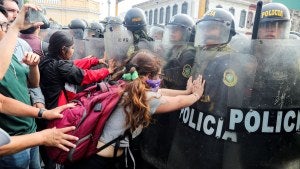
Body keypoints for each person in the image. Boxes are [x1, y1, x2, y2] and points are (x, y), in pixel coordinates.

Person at [63, 49, 205, 169]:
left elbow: (161, 93)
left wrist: (186, 92)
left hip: (91, 157)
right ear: (148, 76)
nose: (159, 80)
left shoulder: (124, 84)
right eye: (159, 76)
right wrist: (196, 95)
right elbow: (177, 102)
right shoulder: (142, 97)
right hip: (101, 162)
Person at [0, 3, 78, 167]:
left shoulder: (13, 51)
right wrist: (44, 137)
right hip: (13, 141)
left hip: (30, 130)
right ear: (63, 50)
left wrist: (43, 113)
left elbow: (3, 101)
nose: (4, 30)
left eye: (6, 25)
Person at [239, 3, 300, 169]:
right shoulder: (244, 52)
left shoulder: (295, 58)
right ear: (257, 29)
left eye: (277, 25)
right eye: (265, 25)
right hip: (248, 130)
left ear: (285, 28)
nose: (271, 30)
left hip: (281, 134)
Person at [39, 30, 115, 109]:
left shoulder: (47, 60)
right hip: (58, 110)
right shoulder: (60, 66)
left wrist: (96, 61)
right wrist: (107, 71)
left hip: (48, 104)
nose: (73, 50)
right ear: (63, 49)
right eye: (72, 48)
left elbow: (73, 64)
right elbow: (85, 76)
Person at [162, 13, 196, 90]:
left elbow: (181, 84)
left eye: (176, 30)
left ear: (185, 32)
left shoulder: (188, 54)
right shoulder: (172, 49)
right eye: (171, 30)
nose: (172, 33)